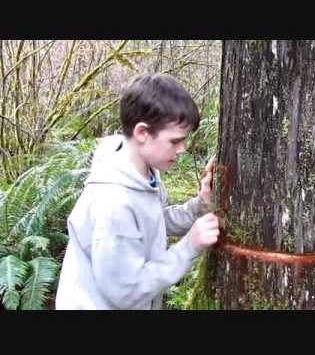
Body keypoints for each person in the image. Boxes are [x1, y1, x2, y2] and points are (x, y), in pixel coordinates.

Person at [55, 73, 219, 310]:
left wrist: (199, 207)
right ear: (142, 133)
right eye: (175, 141)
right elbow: (126, 292)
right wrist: (189, 246)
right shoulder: (113, 205)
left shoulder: (143, 173)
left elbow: (152, 222)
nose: (183, 149)